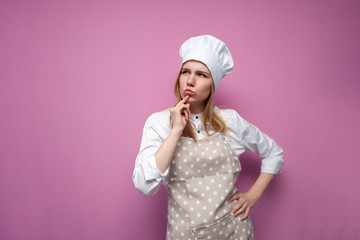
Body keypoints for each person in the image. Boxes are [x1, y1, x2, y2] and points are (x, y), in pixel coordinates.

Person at [133, 35, 284, 240]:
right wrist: (176, 130)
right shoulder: (158, 123)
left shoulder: (230, 120)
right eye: (185, 72)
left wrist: (253, 195)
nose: (190, 81)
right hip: (185, 235)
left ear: (213, 83)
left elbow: (274, 154)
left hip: (234, 232)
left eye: (202, 74)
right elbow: (145, 185)